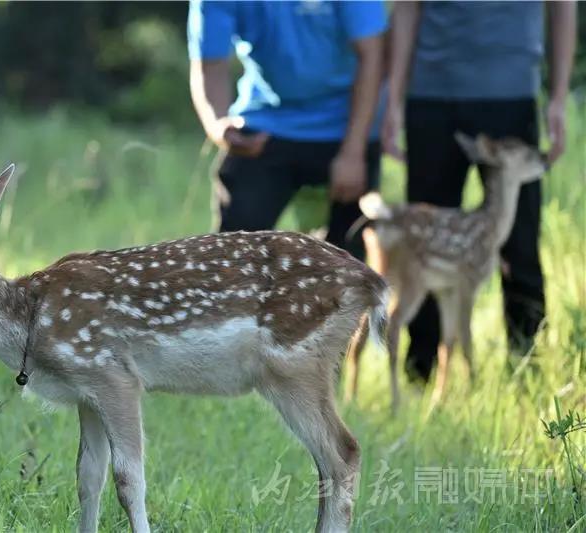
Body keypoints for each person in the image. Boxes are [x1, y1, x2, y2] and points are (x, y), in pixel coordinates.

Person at [383, 1, 577, 381]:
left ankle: (529, 372)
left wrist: (557, 97)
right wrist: (393, 102)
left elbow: (563, 6)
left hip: (511, 99)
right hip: (433, 98)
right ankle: (420, 376)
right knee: (423, 244)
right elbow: (406, 9)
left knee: (519, 245)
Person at [187, 0, 387, 260]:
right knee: (232, 255)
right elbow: (209, 63)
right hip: (264, 124)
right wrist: (218, 125)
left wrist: (353, 152)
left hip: (346, 125)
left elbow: (371, 55)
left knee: (348, 259)